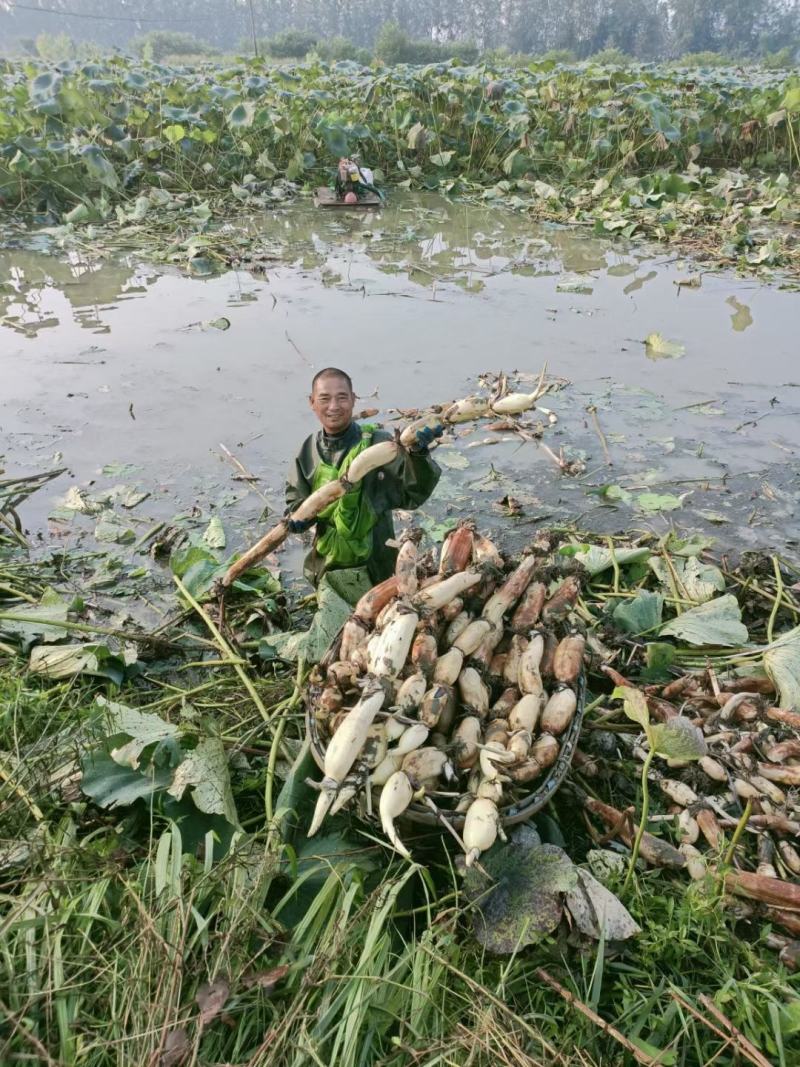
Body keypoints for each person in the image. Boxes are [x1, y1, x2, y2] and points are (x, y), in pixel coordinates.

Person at [285, 368, 442, 588]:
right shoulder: (307, 452)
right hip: (328, 563)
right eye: (324, 398)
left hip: (377, 562)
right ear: (312, 402)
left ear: (353, 400)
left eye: (342, 397)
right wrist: (298, 519)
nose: (333, 406)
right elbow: (295, 504)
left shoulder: (379, 444)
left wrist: (417, 455)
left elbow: (413, 493)